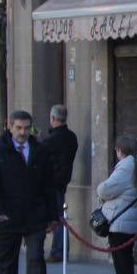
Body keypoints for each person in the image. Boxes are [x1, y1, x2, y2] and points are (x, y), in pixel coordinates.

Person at [0, 110, 57, 274]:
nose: (22, 132)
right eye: (18, 128)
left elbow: (49, 185)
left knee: (36, 260)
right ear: (9, 126)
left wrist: (53, 215)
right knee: (6, 265)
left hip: (34, 216)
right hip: (6, 218)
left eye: (27, 128)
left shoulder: (39, 151)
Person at [95, 134, 137, 274]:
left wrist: (101, 193)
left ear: (119, 150)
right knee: (124, 264)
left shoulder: (126, 166)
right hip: (130, 219)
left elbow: (105, 189)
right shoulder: (136, 164)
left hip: (120, 221)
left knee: (122, 266)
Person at [41, 105, 78, 263]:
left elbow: (40, 154)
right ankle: (59, 250)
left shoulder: (52, 139)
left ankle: (58, 251)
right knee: (60, 216)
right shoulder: (71, 137)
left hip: (52, 182)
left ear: (52, 118)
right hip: (62, 181)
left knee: (57, 218)